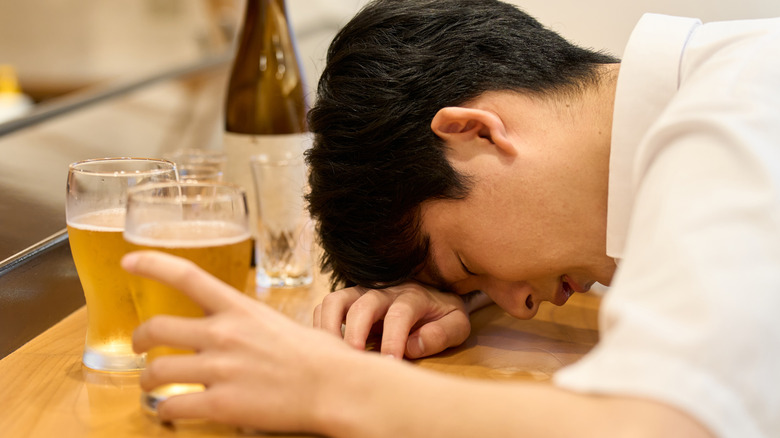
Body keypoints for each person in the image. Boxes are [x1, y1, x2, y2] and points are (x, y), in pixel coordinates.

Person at [124, 0, 780, 436]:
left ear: (474, 132)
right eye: (473, 283)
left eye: (467, 263)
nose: (520, 306)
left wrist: (333, 385)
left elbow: (660, 427)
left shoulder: (732, 112)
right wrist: (442, 293)